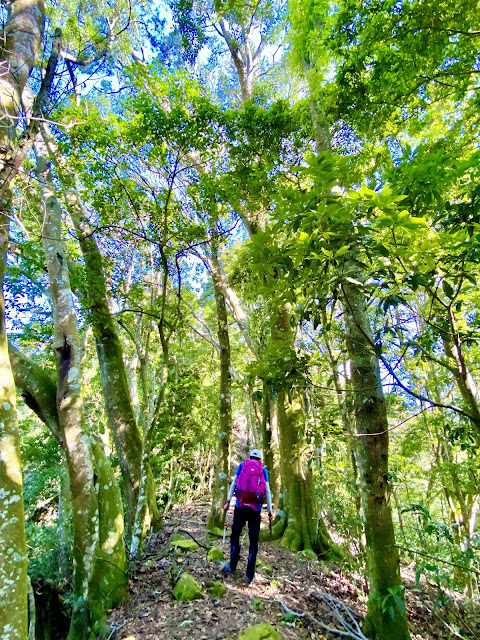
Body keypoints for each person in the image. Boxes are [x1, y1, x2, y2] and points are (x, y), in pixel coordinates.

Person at [222, 448, 273, 584]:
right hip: (255, 510)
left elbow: (234, 483)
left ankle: (232, 566)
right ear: (260, 459)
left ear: (249, 457)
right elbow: (267, 490)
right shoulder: (263, 470)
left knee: (235, 535)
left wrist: (228, 501)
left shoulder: (242, 466)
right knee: (253, 541)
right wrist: (269, 510)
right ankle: (249, 575)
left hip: (240, 506)